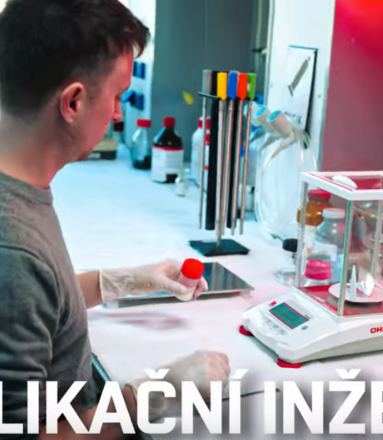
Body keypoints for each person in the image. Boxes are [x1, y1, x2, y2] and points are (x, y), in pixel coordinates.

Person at [0, 0, 230, 438]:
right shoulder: (12, 250)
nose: (119, 113)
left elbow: (40, 302)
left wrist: (122, 281)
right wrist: (153, 396)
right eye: (117, 96)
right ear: (73, 101)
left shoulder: (19, 190)